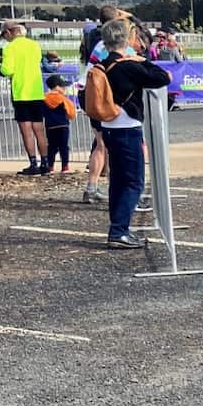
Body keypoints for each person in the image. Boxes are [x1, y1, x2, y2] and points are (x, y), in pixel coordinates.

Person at [83, 20, 168, 248]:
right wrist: (142, 60)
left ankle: (118, 227)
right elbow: (162, 77)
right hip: (127, 127)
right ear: (126, 40)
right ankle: (119, 231)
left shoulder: (99, 66)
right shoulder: (129, 65)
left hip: (108, 127)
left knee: (118, 181)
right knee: (134, 183)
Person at [0, 20, 49, 175]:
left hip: (21, 92)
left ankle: (33, 163)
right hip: (36, 91)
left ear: (9, 32)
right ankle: (45, 163)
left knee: (26, 130)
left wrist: (0, 67)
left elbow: (7, 70)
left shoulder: (10, 48)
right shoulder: (35, 45)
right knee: (39, 129)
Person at [41, 73, 76, 175]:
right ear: (57, 87)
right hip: (63, 126)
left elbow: (41, 112)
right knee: (64, 147)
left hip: (50, 126)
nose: (64, 88)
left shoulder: (44, 99)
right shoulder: (63, 99)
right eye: (63, 86)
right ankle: (65, 167)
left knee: (51, 147)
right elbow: (71, 113)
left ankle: (50, 167)